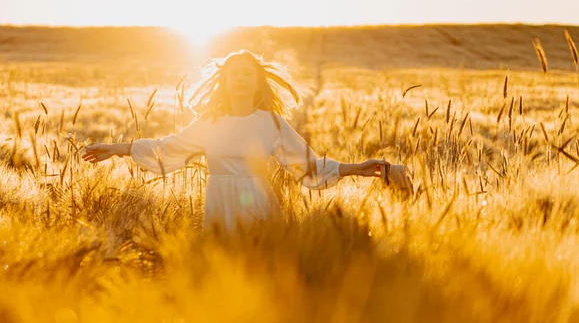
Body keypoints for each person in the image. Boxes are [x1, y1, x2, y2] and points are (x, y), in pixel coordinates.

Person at [83, 50, 408, 231]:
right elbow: (166, 149)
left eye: (246, 74)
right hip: (218, 203)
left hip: (258, 205)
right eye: (233, 74)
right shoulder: (210, 123)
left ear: (256, 84)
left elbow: (308, 167)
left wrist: (357, 169)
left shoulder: (270, 123)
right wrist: (116, 149)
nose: (239, 79)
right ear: (224, 82)